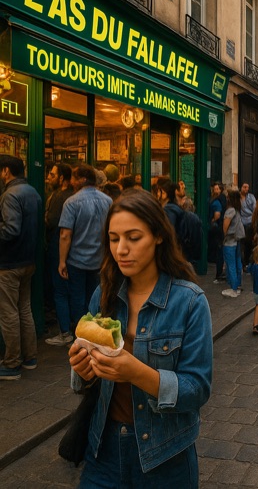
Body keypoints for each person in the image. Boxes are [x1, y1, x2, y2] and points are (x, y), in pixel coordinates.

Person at [68, 189, 212, 486]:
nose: (121, 249)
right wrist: (82, 370)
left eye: (134, 238)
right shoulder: (103, 294)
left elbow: (197, 389)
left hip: (165, 455)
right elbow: (91, 380)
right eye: (113, 238)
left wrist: (137, 372)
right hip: (103, 447)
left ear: (158, 236)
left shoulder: (189, 302)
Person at [0, 156, 41, 380]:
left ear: (6, 171)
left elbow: (10, 230)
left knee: (8, 314)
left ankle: (12, 363)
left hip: (9, 263)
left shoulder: (9, 195)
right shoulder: (32, 191)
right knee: (24, 309)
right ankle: (30, 357)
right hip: (28, 261)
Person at [59, 164, 113, 328]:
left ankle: (80, 332)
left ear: (82, 179)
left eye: (74, 178)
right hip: (100, 259)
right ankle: (96, 330)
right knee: (97, 297)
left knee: (77, 298)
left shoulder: (71, 202)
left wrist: (62, 261)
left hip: (78, 260)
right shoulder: (108, 200)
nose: (72, 182)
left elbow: (65, 235)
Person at [44, 163, 75, 347]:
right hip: (75, 254)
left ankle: (65, 332)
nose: (49, 177)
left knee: (60, 292)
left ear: (61, 178)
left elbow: (54, 225)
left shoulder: (60, 198)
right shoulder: (72, 197)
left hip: (59, 250)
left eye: (52, 174)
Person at [220, 188, 245, 297]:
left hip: (229, 241)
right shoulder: (237, 210)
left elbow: (225, 227)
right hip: (236, 240)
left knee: (231, 265)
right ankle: (238, 286)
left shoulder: (230, 211)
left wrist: (223, 237)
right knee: (237, 263)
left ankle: (233, 288)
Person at [209, 182, 226, 283]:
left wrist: (212, 221)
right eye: (214, 189)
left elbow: (217, 214)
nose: (215, 191)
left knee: (219, 249)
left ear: (220, 190)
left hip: (217, 228)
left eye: (216, 189)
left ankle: (219, 273)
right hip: (221, 228)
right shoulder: (222, 199)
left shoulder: (217, 201)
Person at [240, 183, 256, 268]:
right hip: (241, 223)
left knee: (248, 243)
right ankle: (243, 262)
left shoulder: (251, 197)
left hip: (249, 222)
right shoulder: (238, 198)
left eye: (247, 187)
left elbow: (254, 209)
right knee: (242, 243)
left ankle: (246, 261)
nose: (246, 189)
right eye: (244, 187)